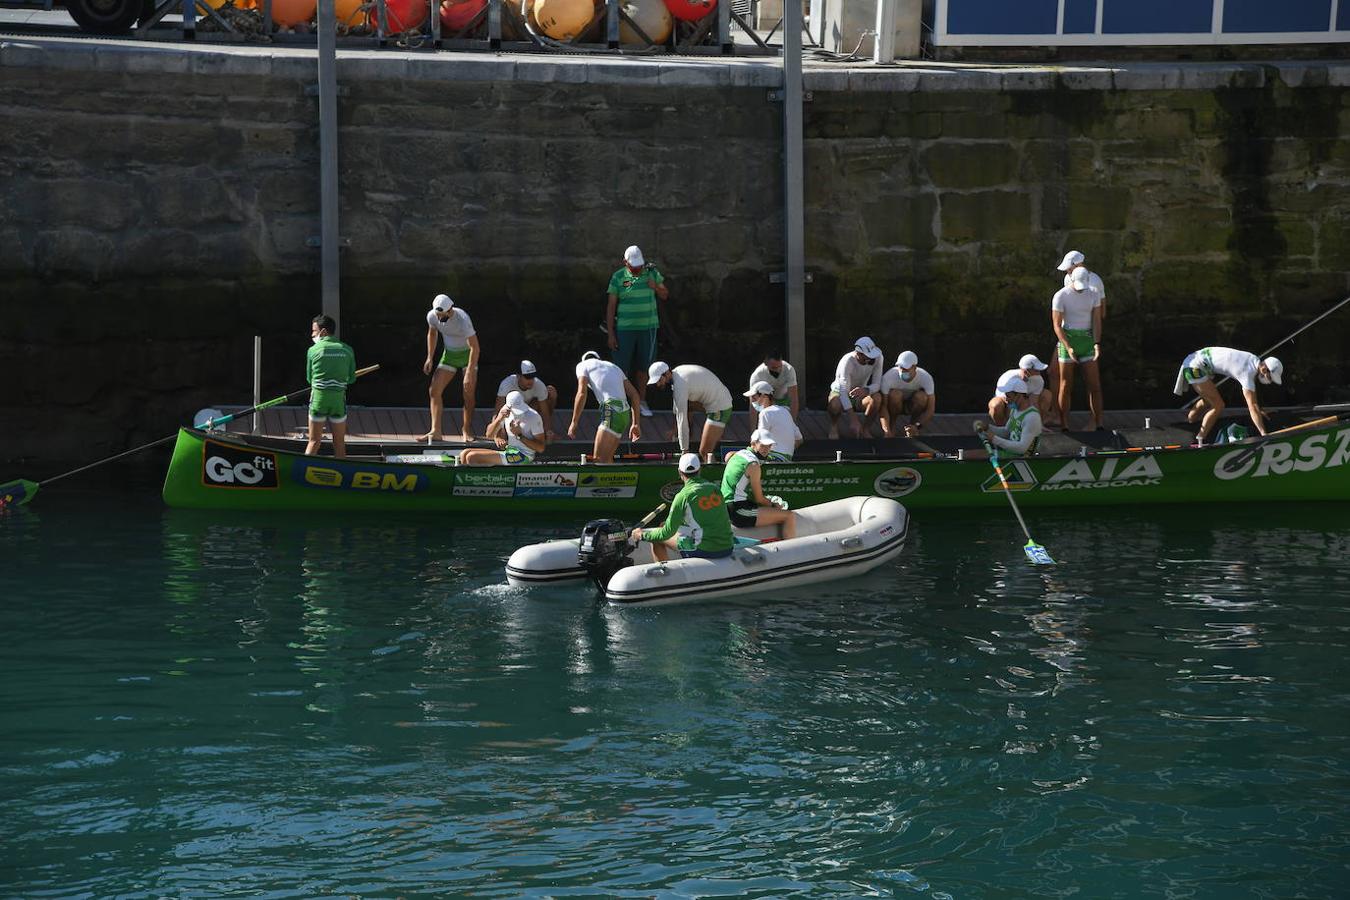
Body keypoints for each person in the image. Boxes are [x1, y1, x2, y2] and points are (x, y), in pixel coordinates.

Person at [631, 452, 735, 561]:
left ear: (680, 472)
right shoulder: (715, 489)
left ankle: (664, 574)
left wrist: (642, 535)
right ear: (700, 470)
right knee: (664, 525)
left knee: (657, 537)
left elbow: (666, 533)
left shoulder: (682, 496)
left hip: (704, 550)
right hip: (727, 547)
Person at [606, 244, 668, 418]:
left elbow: (665, 295)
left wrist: (655, 286)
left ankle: (641, 401)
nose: (637, 269)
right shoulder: (618, 277)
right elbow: (611, 306)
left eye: (639, 266)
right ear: (625, 262)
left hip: (648, 329)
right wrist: (611, 333)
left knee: (644, 368)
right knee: (620, 369)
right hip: (624, 329)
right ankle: (621, 403)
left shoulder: (651, 273)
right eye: (633, 267)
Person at [1174, 347, 1284, 445]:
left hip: (1193, 360)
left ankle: (1190, 419)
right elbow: (1252, 406)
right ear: (1264, 369)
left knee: (1209, 400)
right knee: (1218, 405)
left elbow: (1254, 402)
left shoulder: (1254, 359)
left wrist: (1257, 410)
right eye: (1270, 378)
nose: (1269, 381)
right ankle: (1200, 440)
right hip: (1194, 367)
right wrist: (1264, 435)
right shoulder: (1247, 374)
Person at [421, 293, 479, 443]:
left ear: (450, 309)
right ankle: (436, 431)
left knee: (468, 394)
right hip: (450, 355)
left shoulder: (463, 319)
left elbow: (475, 348)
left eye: (442, 315)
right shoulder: (432, 316)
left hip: (468, 356)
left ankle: (466, 429)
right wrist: (429, 357)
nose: (439, 318)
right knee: (434, 390)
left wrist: (469, 372)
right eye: (437, 314)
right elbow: (432, 334)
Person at [1051, 268, 1104, 430]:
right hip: (1068, 339)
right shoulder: (1061, 295)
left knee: (1094, 385)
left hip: (1087, 340)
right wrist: (1068, 346)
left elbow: (1096, 320)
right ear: (1071, 280)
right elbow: (1057, 325)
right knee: (1066, 385)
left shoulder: (1093, 293)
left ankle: (1097, 423)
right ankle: (1064, 424)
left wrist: (1096, 343)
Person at [720, 428, 796, 540]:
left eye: (769, 446)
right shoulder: (753, 465)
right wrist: (774, 505)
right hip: (738, 511)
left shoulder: (737, 454)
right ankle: (791, 553)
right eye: (763, 445)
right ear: (753, 444)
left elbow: (728, 456)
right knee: (789, 516)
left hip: (726, 506)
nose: (766, 449)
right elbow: (759, 499)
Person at [647, 361, 735, 458]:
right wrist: (675, 430)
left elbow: (682, 419)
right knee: (687, 406)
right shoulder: (678, 373)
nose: (658, 384)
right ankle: (695, 437)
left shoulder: (680, 386)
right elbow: (679, 409)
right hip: (720, 398)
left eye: (659, 380)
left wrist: (684, 450)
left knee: (704, 452)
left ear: (667, 373)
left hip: (720, 407)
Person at [567, 350, 643, 463]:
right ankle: (617, 480)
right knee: (607, 460)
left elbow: (581, 393)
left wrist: (574, 422)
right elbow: (635, 395)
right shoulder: (614, 367)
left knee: (598, 460)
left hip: (611, 410)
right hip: (624, 414)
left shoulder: (582, 365)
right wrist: (635, 423)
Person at [305, 314, 357, 458]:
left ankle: (301, 471)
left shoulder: (312, 350)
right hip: (338, 402)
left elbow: (310, 379)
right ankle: (342, 474)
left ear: (323, 332)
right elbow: (351, 379)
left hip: (318, 401)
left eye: (314, 331)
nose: (312, 335)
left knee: (314, 441)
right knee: (339, 442)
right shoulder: (348, 350)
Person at [460, 390, 546, 466]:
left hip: (524, 456)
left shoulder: (533, 416)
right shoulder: (505, 410)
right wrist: (499, 419)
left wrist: (519, 435)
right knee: (465, 453)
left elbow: (540, 448)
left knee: (472, 457)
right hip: (510, 451)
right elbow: (489, 435)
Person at [828, 336, 885, 439]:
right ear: (858, 353)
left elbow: (877, 384)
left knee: (877, 398)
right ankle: (834, 426)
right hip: (841, 391)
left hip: (860, 393)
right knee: (835, 404)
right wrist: (853, 420)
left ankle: (865, 429)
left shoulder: (878, 357)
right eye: (867, 356)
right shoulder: (847, 361)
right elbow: (843, 391)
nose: (870, 359)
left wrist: (866, 390)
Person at [974, 376, 1042, 458]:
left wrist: (994, 439)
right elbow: (1006, 432)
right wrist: (987, 427)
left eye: (1008, 396)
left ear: (1019, 396)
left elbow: (1022, 448)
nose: (1006, 400)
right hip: (1010, 454)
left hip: (1022, 459)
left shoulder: (1032, 417)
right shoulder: (1014, 411)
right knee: (966, 454)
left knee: (971, 455)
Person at [495, 360, 556, 442]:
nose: (531, 380)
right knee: (500, 427)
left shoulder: (539, 385)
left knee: (551, 393)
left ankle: (540, 432)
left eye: (533, 376)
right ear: (518, 376)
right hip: (511, 412)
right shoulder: (506, 384)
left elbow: (545, 414)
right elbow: (498, 411)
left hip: (529, 411)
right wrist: (498, 436)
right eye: (527, 377)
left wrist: (548, 431)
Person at [880, 350, 936, 438]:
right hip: (895, 406)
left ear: (914, 367)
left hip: (912, 405)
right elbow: (883, 406)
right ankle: (892, 428)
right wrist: (886, 430)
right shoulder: (888, 377)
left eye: (906, 368)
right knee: (895, 395)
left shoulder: (926, 377)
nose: (902, 371)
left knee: (922, 397)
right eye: (900, 367)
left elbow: (931, 409)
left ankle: (912, 428)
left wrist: (918, 426)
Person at [989, 354, 1056, 426]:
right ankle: (1002, 427)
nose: (1039, 372)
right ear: (1026, 370)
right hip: (1006, 403)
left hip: (1024, 402)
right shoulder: (1007, 378)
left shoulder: (1039, 380)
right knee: (996, 406)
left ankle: (1038, 425)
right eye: (1036, 370)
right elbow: (1009, 403)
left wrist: (1037, 424)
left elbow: (1034, 403)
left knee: (1047, 395)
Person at [743, 381, 802, 461]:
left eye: (754, 397)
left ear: (764, 396)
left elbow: (760, 440)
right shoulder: (785, 411)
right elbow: (799, 439)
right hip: (787, 460)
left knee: (732, 455)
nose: (752, 401)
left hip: (773, 458)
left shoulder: (765, 412)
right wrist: (786, 451)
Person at [748, 352, 800, 423]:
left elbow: (794, 398)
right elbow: (753, 404)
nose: (778, 370)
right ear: (765, 363)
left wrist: (793, 424)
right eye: (773, 368)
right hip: (767, 401)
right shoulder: (757, 375)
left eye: (779, 367)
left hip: (784, 399)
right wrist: (753, 431)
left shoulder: (789, 370)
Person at [1058, 249, 1107, 319]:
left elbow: (1102, 306)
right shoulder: (1067, 278)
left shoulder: (1096, 280)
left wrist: (1097, 324)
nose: (1068, 272)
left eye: (1069, 269)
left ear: (1079, 265)